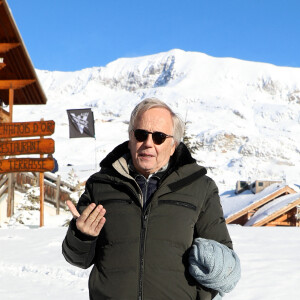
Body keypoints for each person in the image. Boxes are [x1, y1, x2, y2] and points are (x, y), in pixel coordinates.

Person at [62, 98, 233, 300]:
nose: (148, 144)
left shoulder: (200, 187)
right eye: (141, 134)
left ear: (173, 146)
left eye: (159, 137)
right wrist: (82, 236)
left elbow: (221, 262)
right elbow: (78, 259)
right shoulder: (101, 185)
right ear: (130, 138)